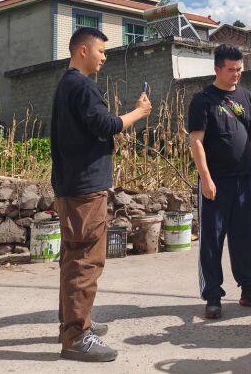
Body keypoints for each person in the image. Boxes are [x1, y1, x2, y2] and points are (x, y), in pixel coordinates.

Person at [52, 27, 152, 362]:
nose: (104, 57)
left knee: (73, 258)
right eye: (101, 51)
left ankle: (74, 323)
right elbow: (106, 125)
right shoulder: (82, 85)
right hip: (84, 189)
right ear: (83, 50)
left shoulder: (66, 85)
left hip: (71, 185)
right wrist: (139, 113)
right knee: (85, 261)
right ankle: (77, 336)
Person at [188, 44, 251, 320]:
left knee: (245, 237)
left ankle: (250, 290)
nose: (236, 74)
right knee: (212, 240)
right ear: (217, 69)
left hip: (244, 180)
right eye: (230, 69)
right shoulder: (203, 100)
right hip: (216, 182)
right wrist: (205, 178)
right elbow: (196, 142)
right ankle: (213, 295)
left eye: (239, 69)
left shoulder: (246, 96)